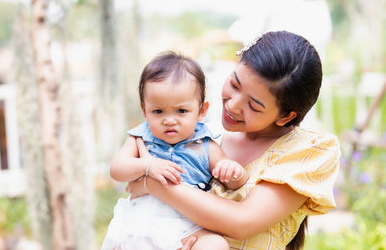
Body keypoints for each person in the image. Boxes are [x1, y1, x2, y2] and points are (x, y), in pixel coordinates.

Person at [127, 31, 341, 250]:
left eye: (254, 106)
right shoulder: (203, 135)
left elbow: (242, 222)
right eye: (235, 84)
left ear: (286, 116)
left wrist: (153, 184)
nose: (233, 105)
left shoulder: (306, 151)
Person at [101, 51, 249, 250]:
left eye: (181, 111)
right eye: (158, 111)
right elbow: (117, 169)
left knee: (216, 244)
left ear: (201, 111)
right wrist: (147, 165)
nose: (169, 120)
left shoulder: (205, 144)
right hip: (142, 220)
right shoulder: (140, 137)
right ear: (144, 110)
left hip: (188, 223)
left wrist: (233, 172)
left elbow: (232, 181)